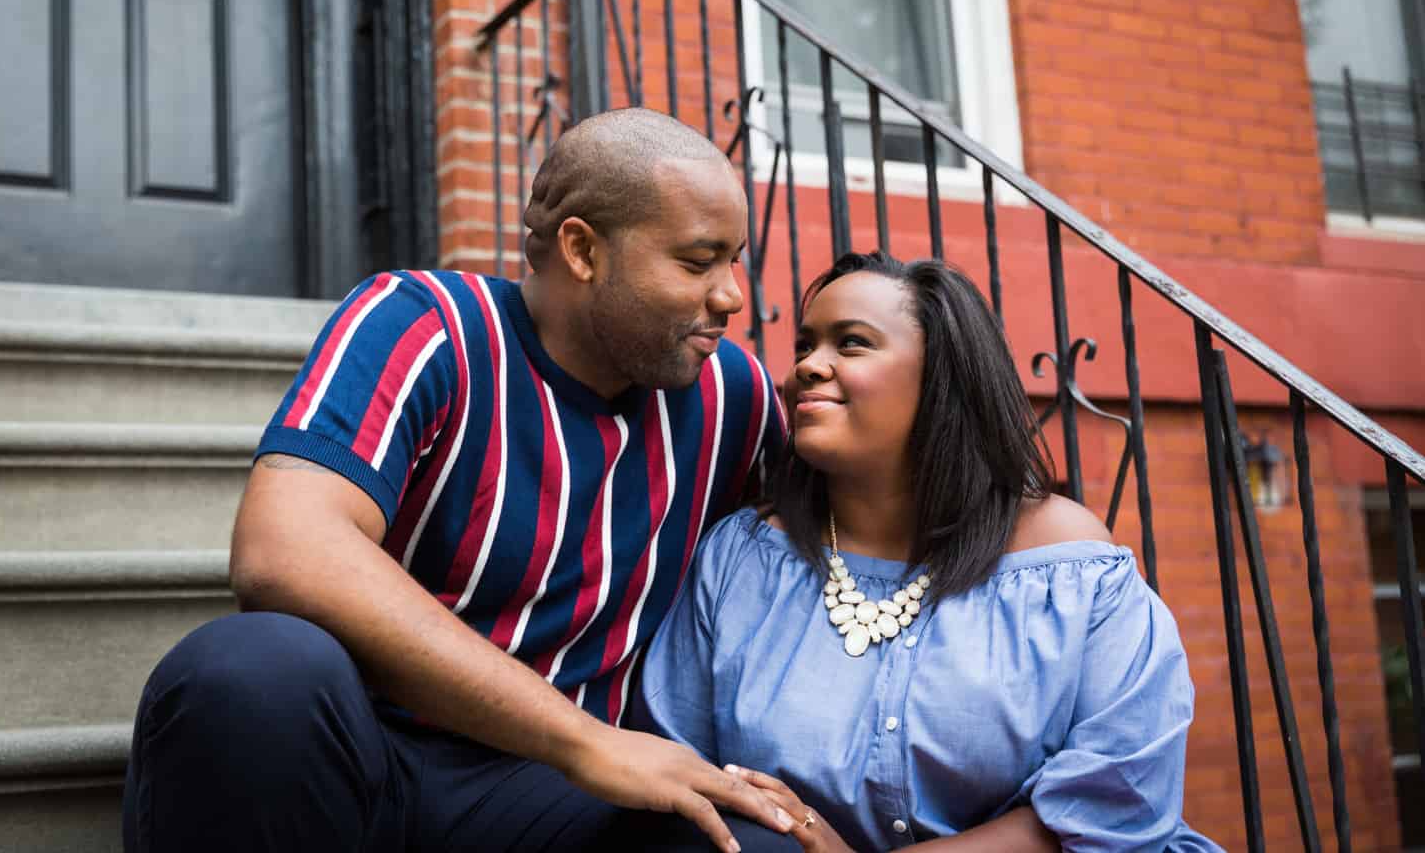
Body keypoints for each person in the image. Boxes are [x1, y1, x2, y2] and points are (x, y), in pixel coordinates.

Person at [121, 107, 806, 853]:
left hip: (547, 802)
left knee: (748, 845)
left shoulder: (730, 395)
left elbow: (849, 540)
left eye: (734, 260)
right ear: (582, 250)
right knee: (252, 671)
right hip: (358, 759)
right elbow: (283, 550)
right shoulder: (427, 325)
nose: (733, 296)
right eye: (697, 261)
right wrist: (582, 738)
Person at [635, 252, 1221, 852]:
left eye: (853, 343)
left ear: (942, 376)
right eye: (805, 345)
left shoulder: (1072, 570)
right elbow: (680, 770)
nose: (810, 365)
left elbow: (1116, 804)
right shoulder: (742, 561)